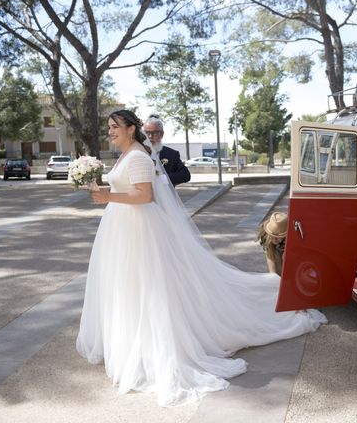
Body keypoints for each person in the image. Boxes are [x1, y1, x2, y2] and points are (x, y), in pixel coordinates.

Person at [76, 109, 326, 406]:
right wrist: (103, 189)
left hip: (139, 231)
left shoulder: (140, 156)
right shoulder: (126, 154)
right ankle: (131, 343)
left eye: (115, 127)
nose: (110, 132)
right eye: (108, 127)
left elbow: (145, 196)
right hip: (122, 229)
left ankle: (276, 297)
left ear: (132, 129)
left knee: (148, 289)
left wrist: (108, 197)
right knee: (128, 289)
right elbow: (128, 188)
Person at [143, 114, 190, 186]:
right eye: (147, 133)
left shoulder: (171, 154)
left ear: (161, 134)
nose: (150, 136)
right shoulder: (137, 151)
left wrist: (161, 179)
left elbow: (185, 175)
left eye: (154, 133)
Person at [257, 212, 287, 276]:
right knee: (276, 274)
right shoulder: (266, 236)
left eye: (278, 237)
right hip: (274, 250)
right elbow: (270, 257)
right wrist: (273, 277)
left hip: (287, 250)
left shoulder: (291, 238)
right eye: (272, 236)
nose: (274, 240)